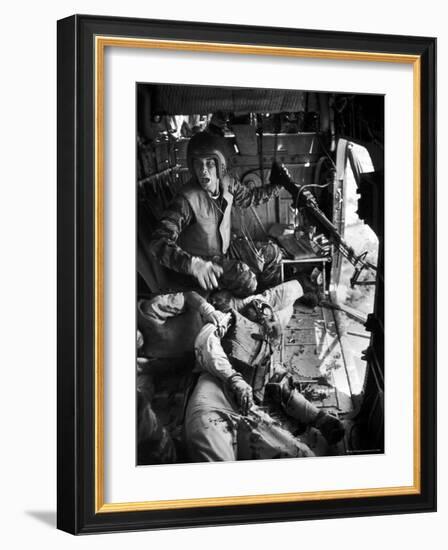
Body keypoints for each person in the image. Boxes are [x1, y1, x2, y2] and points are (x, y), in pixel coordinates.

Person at [184, 280, 345, 462]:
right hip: (212, 405)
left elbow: (282, 388)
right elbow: (205, 344)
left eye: (270, 317)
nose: (268, 318)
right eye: (263, 314)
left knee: (303, 456)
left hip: (247, 411)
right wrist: (233, 378)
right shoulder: (226, 321)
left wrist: (319, 418)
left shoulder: (265, 355)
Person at [148, 130, 283, 294]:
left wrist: (278, 185)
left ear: (221, 166)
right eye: (198, 164)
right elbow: (158, 242)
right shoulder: (186, 200)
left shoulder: (229, 184)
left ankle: (266, 301)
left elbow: (250, 198)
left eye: (209, 164)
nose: (203, 170)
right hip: (201, 264)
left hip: (225, 250)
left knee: (273, 252)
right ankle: (231, 305)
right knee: (245, 278)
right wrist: (193, 264)